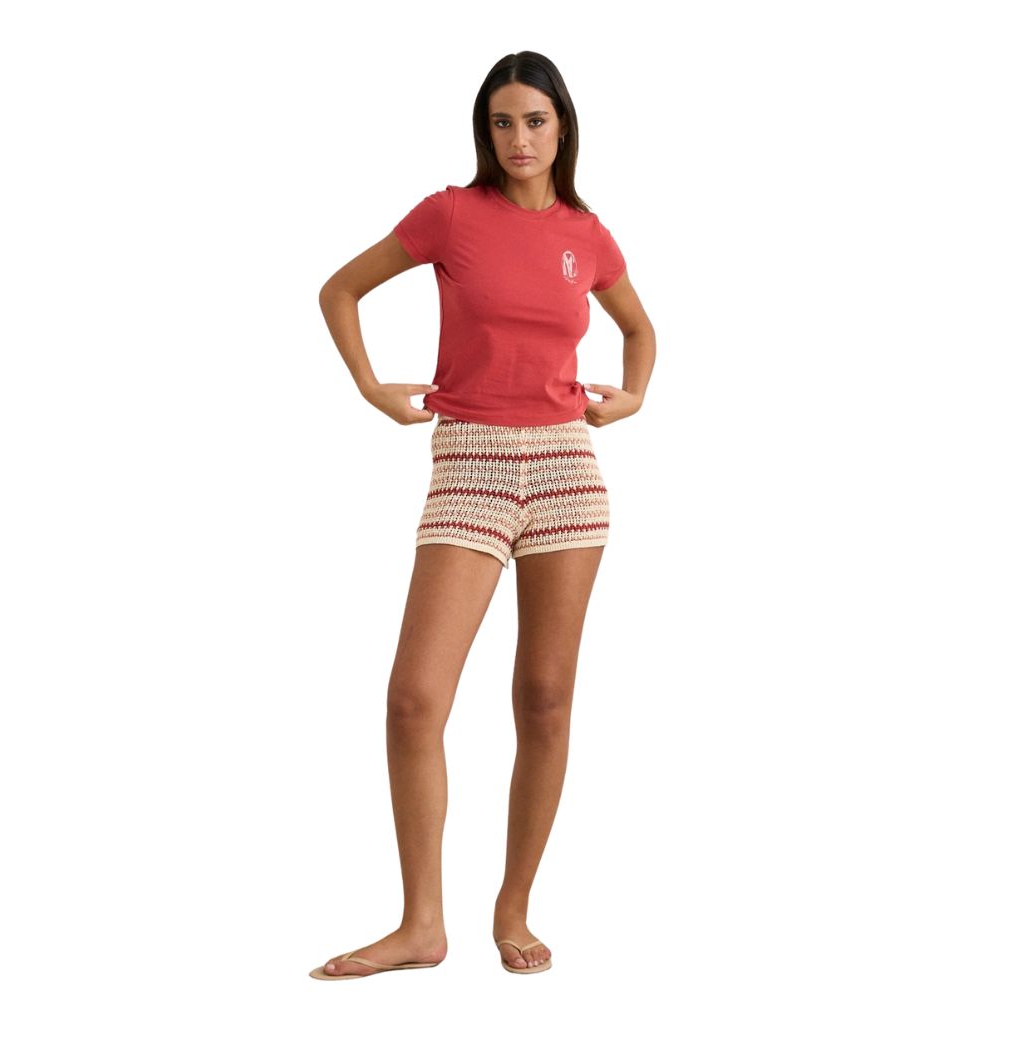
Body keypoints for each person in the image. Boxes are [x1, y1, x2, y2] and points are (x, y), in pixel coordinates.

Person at [312, 51, 655, 979]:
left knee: (544, 697)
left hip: (567, 470)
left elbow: (639, 329)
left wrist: (630, 397)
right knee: (414, 698)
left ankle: (514, 906)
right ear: (485, 131)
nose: (519, 139)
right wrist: (372, 386)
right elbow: (339, 289)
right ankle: (421, 924)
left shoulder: (587, 233)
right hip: (469, 461)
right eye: (503, 122)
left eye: (534, 121)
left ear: (562, 127)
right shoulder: (451, 215)